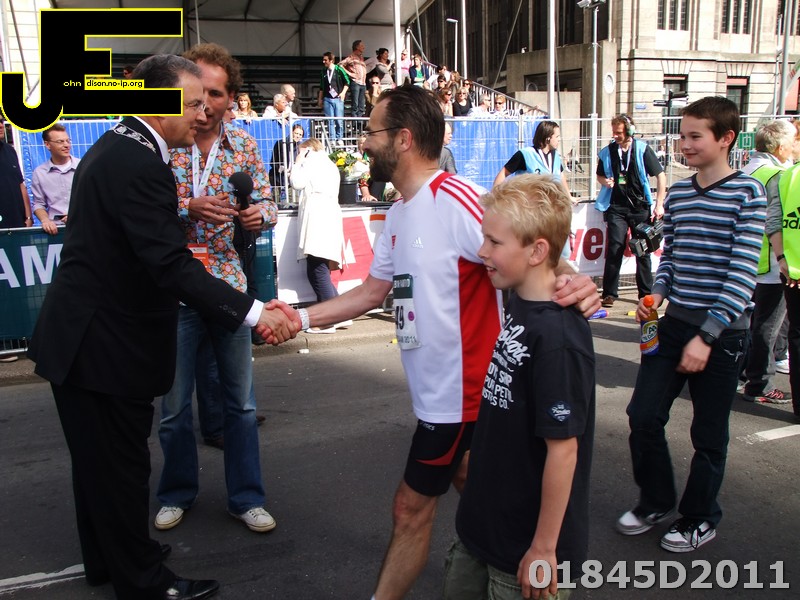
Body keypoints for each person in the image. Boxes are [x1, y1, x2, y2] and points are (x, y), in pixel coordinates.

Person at [261, 84, 600, 600]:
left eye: (371, 132)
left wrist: (575, 281)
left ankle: (536, 558)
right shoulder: (399, 212)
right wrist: (299, 318)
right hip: (439, 398)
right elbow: (372, 292)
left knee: (410, 508)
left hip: (462, 400)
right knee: (477, 486)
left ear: (402, 138)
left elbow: (531, 245)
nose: (363, 143)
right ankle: (513, 553)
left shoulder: (455, 197)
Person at [26, 54, 296, 600]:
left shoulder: (120, 147)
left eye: (208, 101)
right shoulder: (139, 161)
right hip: (102, 346)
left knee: (98, 467)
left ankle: (110, 560)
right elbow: (170, 265)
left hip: (86, 340)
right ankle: (145, 582)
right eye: (192, 103)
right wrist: (255, 311)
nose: (201, 114)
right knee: (121, 468)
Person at [617, 96, 765, 553]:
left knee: (708, 434)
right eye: (682, 135)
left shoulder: (748, 193)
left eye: (695, 136)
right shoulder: (679, 195)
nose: (684, 144)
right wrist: (657, 295)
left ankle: (700, 517)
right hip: (674, 324)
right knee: (642, 417)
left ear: (726, 139)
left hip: (723, 335)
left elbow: (742, 274)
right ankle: (656, 501)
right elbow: (671, 259)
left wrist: (708, 334)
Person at [443, 175, 594, 600]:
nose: (482, 251)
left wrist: (544, 548)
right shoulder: (518, 301)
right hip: (482, 530)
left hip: (523, 549)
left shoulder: (558, 338)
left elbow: (563, 451)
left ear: (536, 251)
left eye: (494, 242)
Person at [154, 42, 279, 536]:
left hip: (228, 288)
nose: (205, 105)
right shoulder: (165, 141)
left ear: (231, 98)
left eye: (216, 94)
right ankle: (176, 493)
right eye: (198, 93)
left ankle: (246, 498)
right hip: (176, 291)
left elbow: (268, 202)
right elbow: (142, 210)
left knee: (241, 405)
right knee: (173, 408)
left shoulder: (243, 145)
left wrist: (258, 215)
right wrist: (186, 207)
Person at [739, 119, 795, 404]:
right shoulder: (779, 174)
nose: (795, 147)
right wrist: (784, 258)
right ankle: (760, 383)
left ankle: (743, 373)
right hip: (772, 261)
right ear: (781, 147)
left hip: (745, 259)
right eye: (793, 142)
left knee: (747, 320)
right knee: (767, 325)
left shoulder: (744, 170)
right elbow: (778, 220)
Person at [595, 114, 666, 307]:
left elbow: (660, 176)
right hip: (616, 207)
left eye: (619, 132)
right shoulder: (608, 152)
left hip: (639, 207)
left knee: (642, 250)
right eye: (614, 132)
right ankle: (609, 293)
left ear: (630, 131)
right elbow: (599, 175)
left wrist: (659, 204)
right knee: (615, 247)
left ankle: (645, 293)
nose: (615, 136)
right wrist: (605, 182)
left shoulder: (642, 150)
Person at [291, 138, 345, 329]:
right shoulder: (330, 164)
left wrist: (298, 162)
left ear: (307, 150)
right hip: (329, 215)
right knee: (320, 268)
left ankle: (329, 321)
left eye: (300, 151)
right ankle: (341, 314)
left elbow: (296, 183)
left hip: (317, 217)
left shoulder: (310, 161)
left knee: (317, 269)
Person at [769, 138, 800, 422]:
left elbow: (774, 223)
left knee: (796, 336)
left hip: (792, 271)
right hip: (792, 271)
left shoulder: (788, 176)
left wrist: (781, 259)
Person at [493, 120, 571, 199]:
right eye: (557, 136)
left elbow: (561, 175)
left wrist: (569, 197)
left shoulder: (556, 156)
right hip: (529, 203)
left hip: (551, 203)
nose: (559, 139)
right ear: (548, 138)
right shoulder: (525, 154)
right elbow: (504, 172)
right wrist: (495, 197)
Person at [31, 123, 80, 235]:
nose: (66, 145)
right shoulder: (39, 173)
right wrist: (45, 220)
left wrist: (76, 214)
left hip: (82, 227)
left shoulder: (83, 167)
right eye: (60, 142)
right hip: (55, 232)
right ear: (47, 145)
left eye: (68, 141)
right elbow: (38, 203)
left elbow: (93, 198)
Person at [0, 117, 33, 229]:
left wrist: (28, 217)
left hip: (17, 224)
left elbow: (20, 184)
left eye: (1, 121)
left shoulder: (10, 151)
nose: (1, 125)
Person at [317, 52, 350, 141]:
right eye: (323, 60)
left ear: (331, 60)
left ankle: (339, 138)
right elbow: (321, 86)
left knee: (339, 120)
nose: (324, 62)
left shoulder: (339, 69)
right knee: (330, 120)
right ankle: (332, 139)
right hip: (327, 98)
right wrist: (320, 99)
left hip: (338, 98)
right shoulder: (323, 71)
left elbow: (347, 82)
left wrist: (343, 93)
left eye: (326, 60)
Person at [269, 123, 305, 197]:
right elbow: (273, 162)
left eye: (300, 135)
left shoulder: (301, 147)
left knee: (293, 200)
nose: (298, 136)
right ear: (291, 132)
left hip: (293, 181)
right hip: (278, 180)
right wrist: (282, 170)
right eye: (296, 133)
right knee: (277, 200)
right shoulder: (280, 143)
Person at [340, 40, 367, 118]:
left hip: (363, 83)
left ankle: (359, 122)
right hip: (355, 82)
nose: (364, 47)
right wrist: (349, 73)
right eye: (362, 45)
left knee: (361, 105)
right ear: (357, 47)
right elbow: (340, 65)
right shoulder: (351, 57)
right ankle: (355, 122)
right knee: (355, 104)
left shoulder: (361, 57)